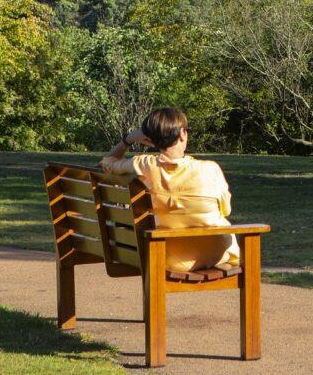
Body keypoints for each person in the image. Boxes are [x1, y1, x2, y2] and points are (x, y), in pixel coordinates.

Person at [100, 107, 240, 272]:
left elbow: (108, 162)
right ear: (182, 133)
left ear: (151, 138)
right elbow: (226, 210)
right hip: (216, 251)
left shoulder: (144, 165)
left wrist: (129, 139)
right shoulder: (210, 169)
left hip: (169, 257)